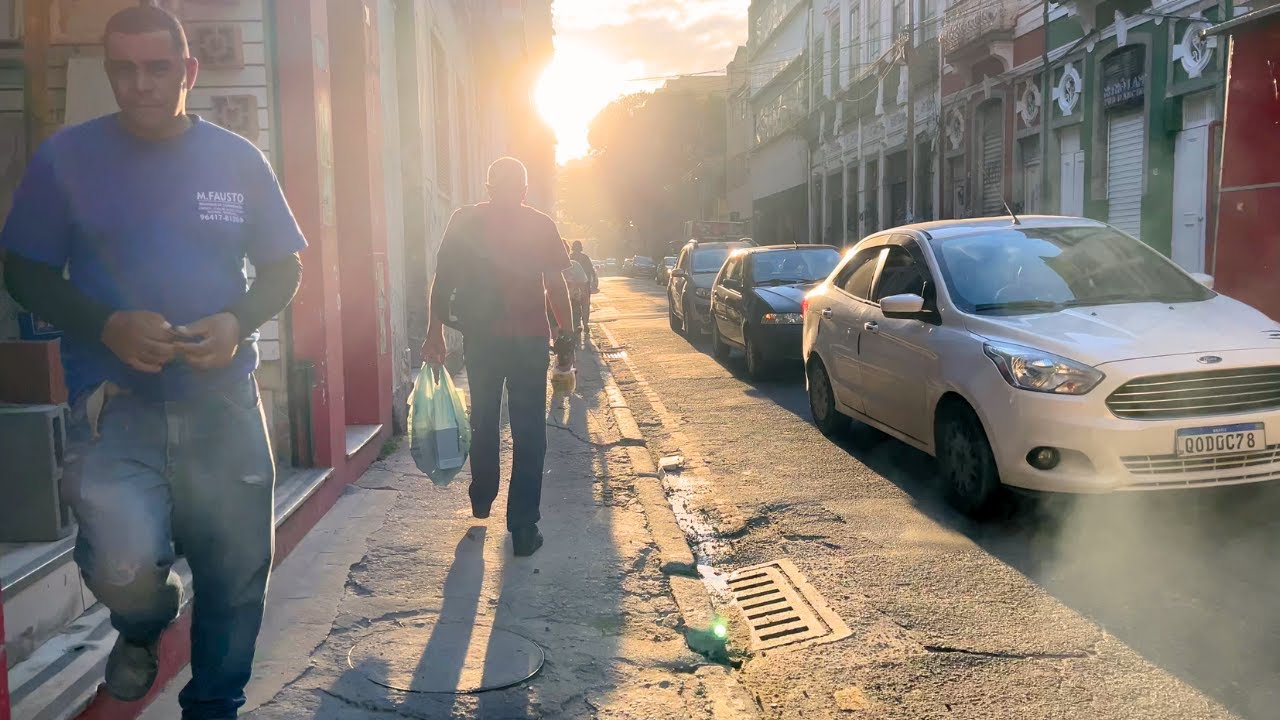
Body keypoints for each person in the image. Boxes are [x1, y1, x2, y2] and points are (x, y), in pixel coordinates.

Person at [0, 6, 306, 719]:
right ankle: (142, 627)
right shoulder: (66, 159)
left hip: (224, 403)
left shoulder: (236, 159)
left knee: (235, 581)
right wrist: (106, 325)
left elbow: (283, 269)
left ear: (188, 72)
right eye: (123, 69)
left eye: (157, 68)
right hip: (115, 405)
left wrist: (236, 321)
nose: (139, 84)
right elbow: (24, 271)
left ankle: (215, 707)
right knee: (124, 565)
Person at [422, 157, 571, 557]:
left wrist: (433, 331)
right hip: (528, 341)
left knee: (484, 419)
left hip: (483, 339)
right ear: (524, 190)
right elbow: (556, 285)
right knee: (528, 431)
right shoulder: (540, 224)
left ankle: (483, 496)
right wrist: (567, 335)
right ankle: (523, 527)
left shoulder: (465, 220)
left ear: (488, 188)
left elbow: (443, 279)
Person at [568, 240, 597, 334]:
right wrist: (594, 283)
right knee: (585, 305)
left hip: (573, 286)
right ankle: (585, 324)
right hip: (584, 285)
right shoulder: (585, 258)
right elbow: (591, 271)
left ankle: (575, 324)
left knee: (573, 305)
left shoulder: (569, 257)